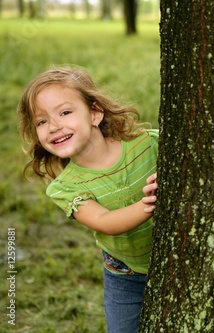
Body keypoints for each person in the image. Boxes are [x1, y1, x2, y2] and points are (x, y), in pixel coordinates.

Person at [18, 66, 158, 333]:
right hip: (126, 275)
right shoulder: (65, 187)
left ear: (95, 113)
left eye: (65, 112)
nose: (54, 126)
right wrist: (148, 205)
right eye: (41, 121)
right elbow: (103, 220)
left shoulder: (146, 145)